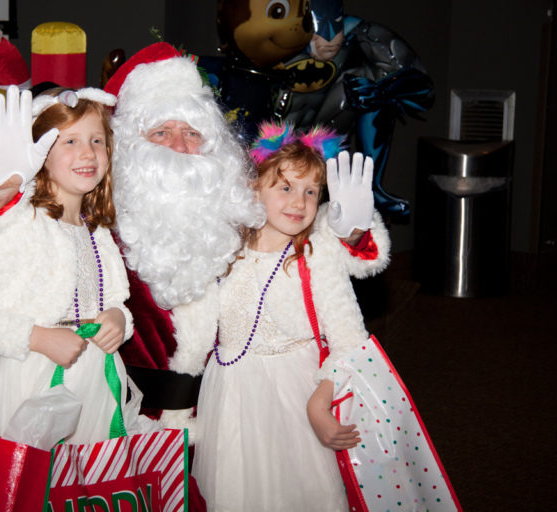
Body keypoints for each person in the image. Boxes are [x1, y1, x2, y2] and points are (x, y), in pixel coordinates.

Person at [102, 43, 389, 432]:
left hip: (231, 415)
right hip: (124, 427)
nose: (181, 147)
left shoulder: (236, 216)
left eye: (191, 132)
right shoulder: (99, 225)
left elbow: (309, 235)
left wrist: (352, 234)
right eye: (161, 132)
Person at [0, 86, 148, 511]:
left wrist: (120, 320)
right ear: (40, 153)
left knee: (83, 493)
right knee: (24, 493)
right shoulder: (22, 224)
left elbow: (116, 299)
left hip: (94, 388)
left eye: (97, 140)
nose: (87, 152)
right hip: (28, 388)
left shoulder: (96, 229)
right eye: (69, 141)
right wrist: (39, 337)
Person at [192, 122, 385, 511]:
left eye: (311, 192)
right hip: (228, 398)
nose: (299, 202)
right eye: (285, 188)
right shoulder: (225, 248)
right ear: (253, 189)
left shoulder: (317, 252)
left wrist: (319, 403)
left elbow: (351, 341)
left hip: (294, 398)